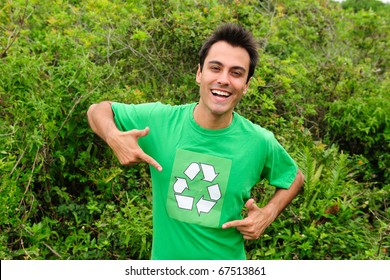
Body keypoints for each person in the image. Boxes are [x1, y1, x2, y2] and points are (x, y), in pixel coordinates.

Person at [87, 23, 304, 260]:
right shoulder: (159, 122)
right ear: (199, 73)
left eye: (236, 73)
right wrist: (113, 136)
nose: (224, 80)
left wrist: (268, 213)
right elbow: (98, 110)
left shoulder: (259, 141)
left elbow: (294, 177)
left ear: (246, 85)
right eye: (215, 68)